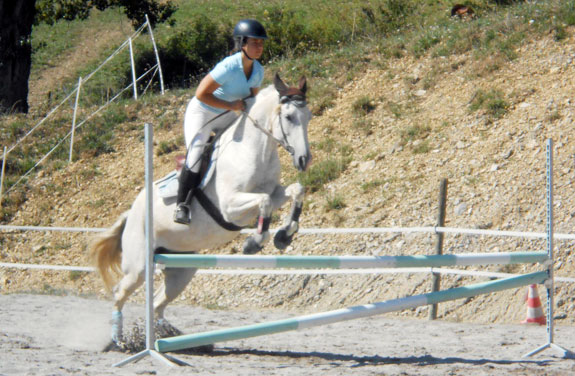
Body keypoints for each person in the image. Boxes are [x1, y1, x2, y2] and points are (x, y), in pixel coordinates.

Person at [174, 19, 267, 224]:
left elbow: (252, 101)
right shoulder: (229, 66)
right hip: (203, 112)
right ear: (242, 43)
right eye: (254, 43)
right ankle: (182, 205)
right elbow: (201, 94)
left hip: (227, 114)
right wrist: (233, 106)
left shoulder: (258, 71)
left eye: (261, 43)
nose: (259, 47)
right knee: (196, 154)